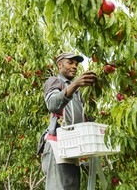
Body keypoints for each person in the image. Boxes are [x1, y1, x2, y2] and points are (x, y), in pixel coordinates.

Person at [41, 52, 97, 190]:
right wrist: (76, 83)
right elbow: (53, 104)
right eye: (70, 63)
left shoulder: (77, 92)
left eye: (76, 64)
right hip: (56, 146)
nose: (74, 67)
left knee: (71, 186)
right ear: (60, 65)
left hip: (72, 147)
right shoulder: (55, 81)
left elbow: (85, 118)